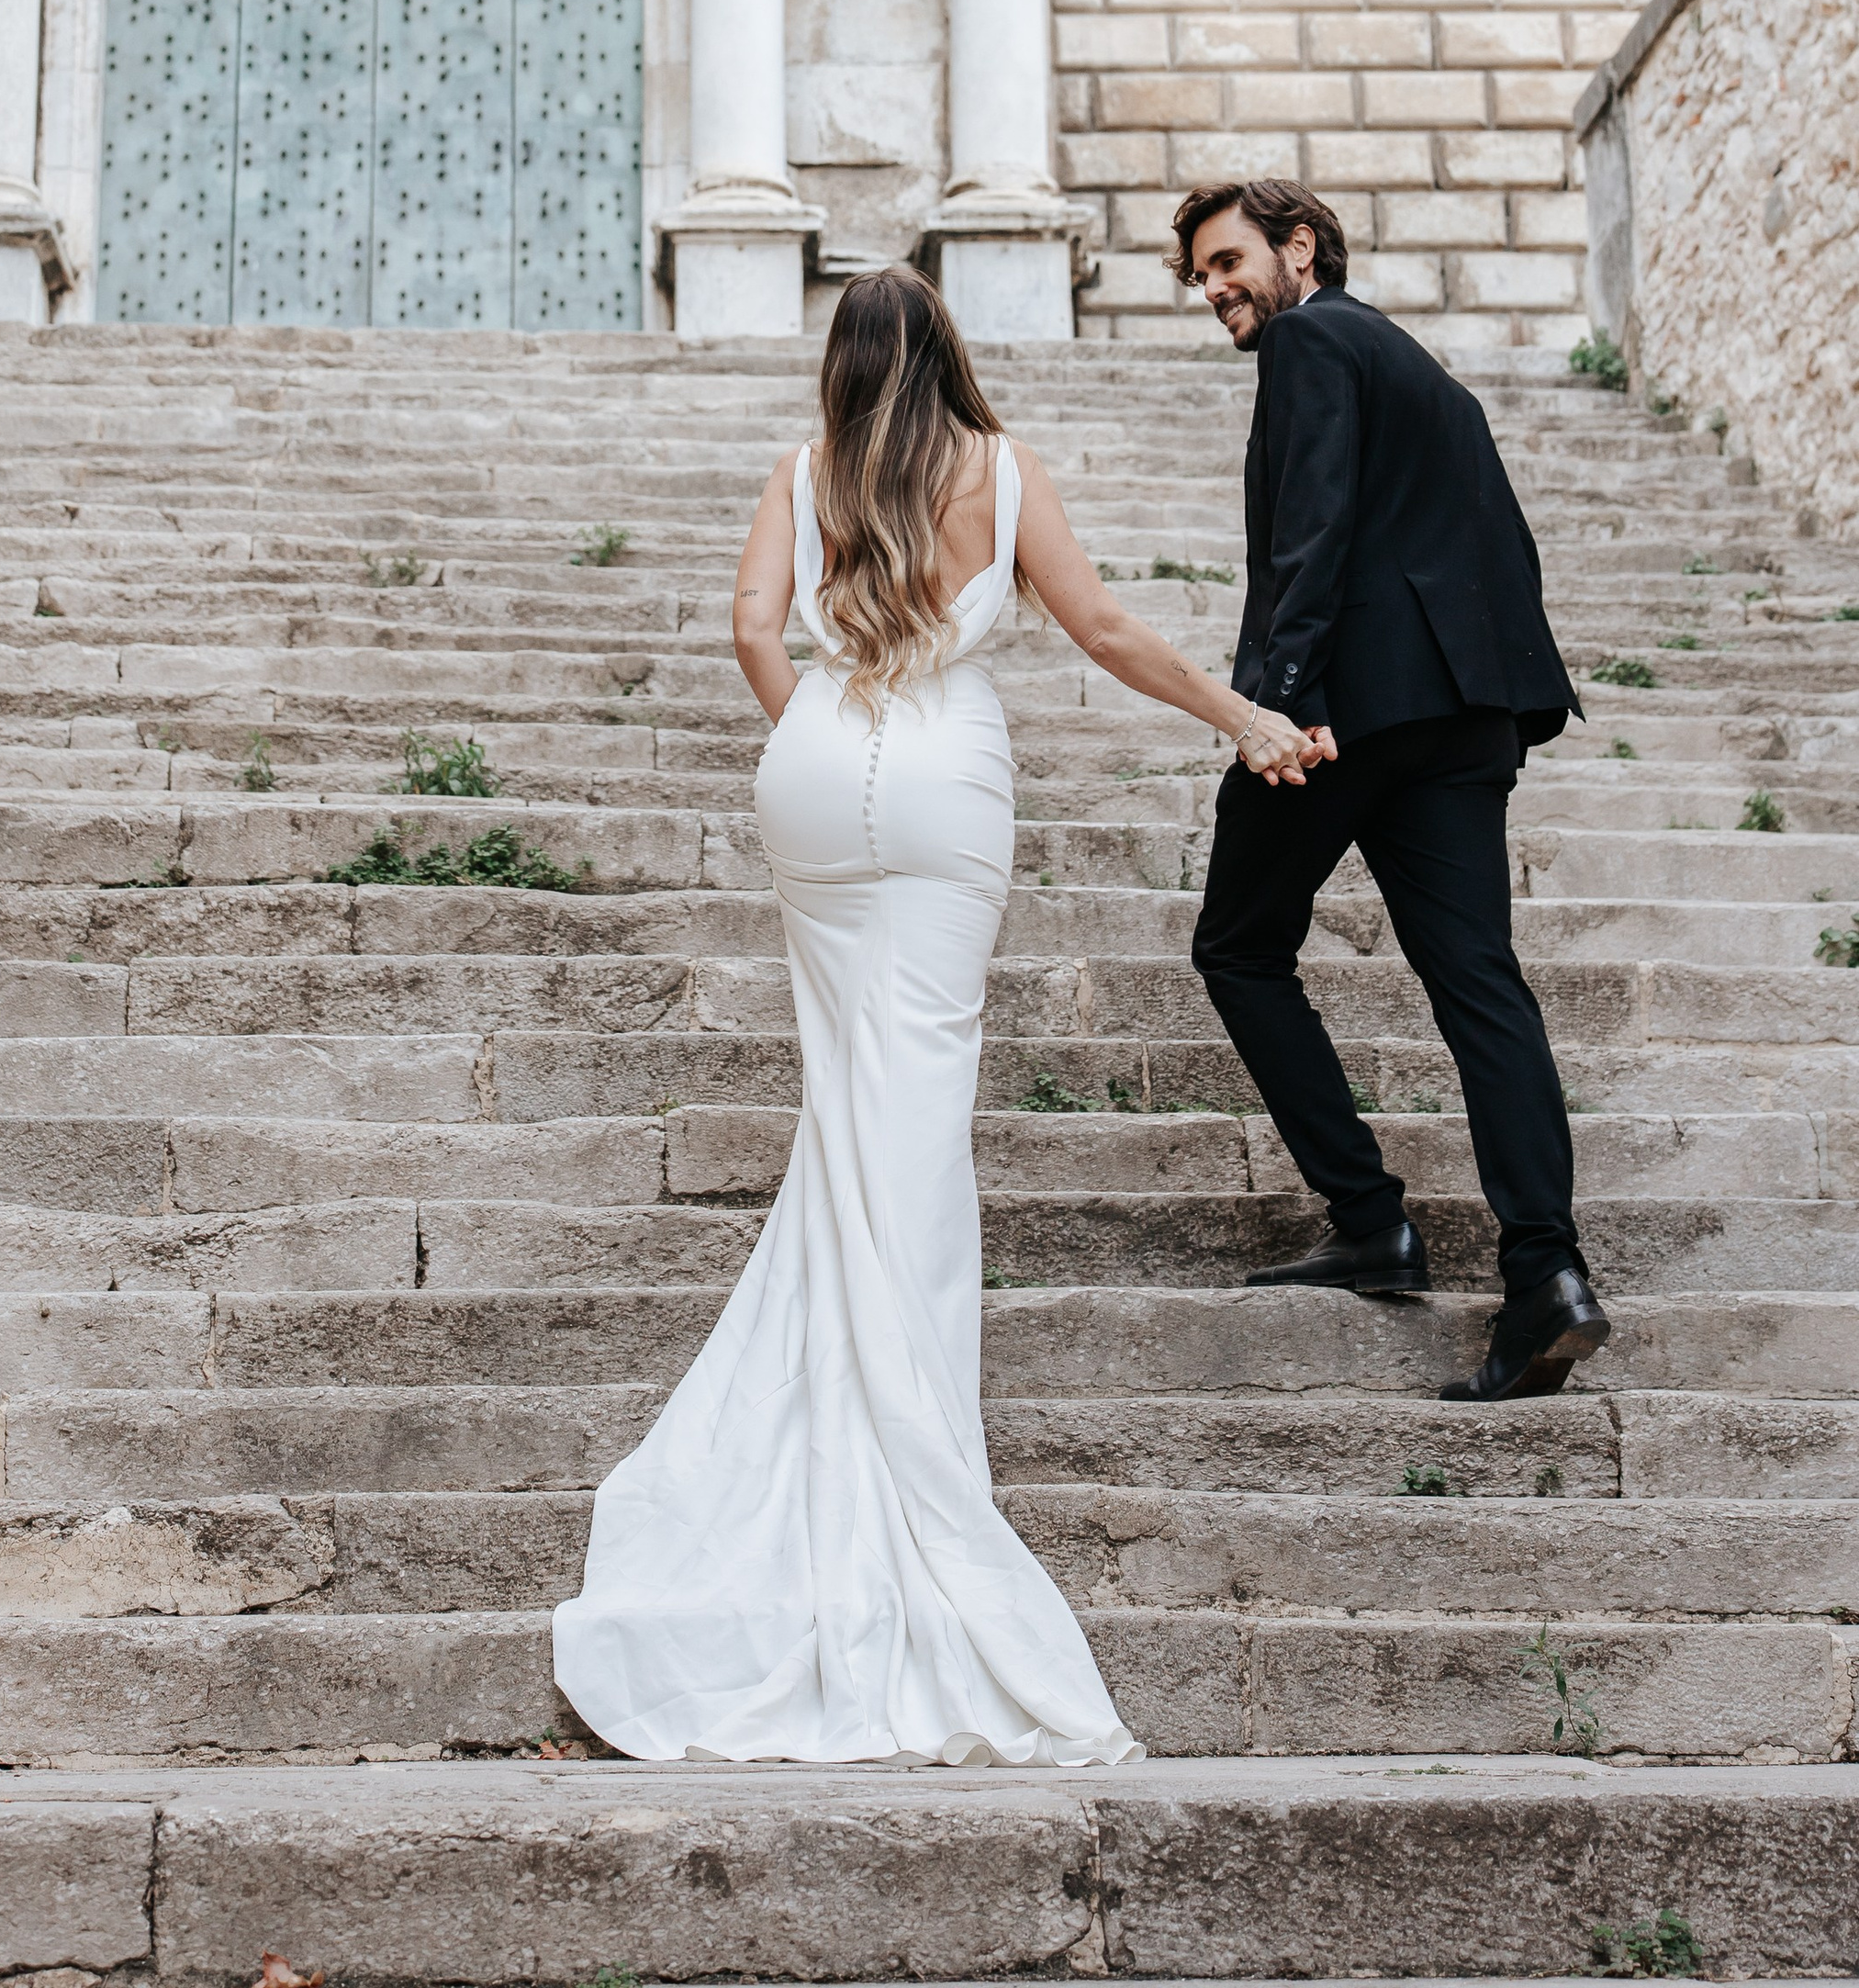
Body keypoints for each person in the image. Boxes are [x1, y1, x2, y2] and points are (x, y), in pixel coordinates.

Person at [550, 261, 1320, 1767]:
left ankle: (841, 1382)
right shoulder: (1000, 464)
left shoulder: (806, 464)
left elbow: (749, 624)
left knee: (844, 1097)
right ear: (947, 347)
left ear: (843, 359)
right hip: (948, 775)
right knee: (911, 1111)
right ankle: (906, 1421)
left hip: (819, 770)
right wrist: (1242, 718)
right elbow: (1097, 626)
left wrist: (820, 734)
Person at [1170, 176, 1608, 1405]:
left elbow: (1312, 527)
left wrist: (1275, 703)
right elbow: (1494, 536)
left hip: (1346, 710)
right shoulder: (1419, 366)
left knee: (1239, 945)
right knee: (1481, 984)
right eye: (1200, 276)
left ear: (1298, 246)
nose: (1213, 290)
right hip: (1463, 712)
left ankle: (1369, 1215)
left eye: (1225, 261)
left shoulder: (1311, 337)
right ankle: (1546, 1276)